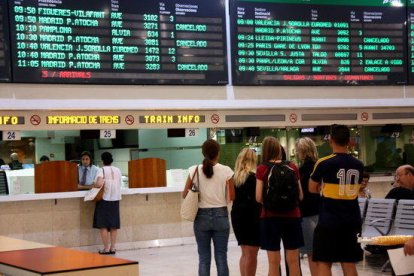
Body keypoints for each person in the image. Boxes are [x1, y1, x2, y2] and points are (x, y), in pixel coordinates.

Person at [309, 124, 364, 276]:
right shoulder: (359, 165)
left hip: (329, 220)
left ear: (331, 140)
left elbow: (312, 188)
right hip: (352, 220)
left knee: (324, 262)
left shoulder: (324, 162)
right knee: (348, 262)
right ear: (349, 141)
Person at [182, 139, 235, 276]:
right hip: (221, 216)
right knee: (221, 258)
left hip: (201, 217)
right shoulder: (226, 170)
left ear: (203, 153)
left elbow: (184, 194)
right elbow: (232, 196)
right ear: (218, 153)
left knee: (204, 259)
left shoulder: (194, 170)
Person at [255, 136, 303, 276]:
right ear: (278, 149)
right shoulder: (292, 166)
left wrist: (271, 203)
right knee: (293, 261)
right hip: (292, 217)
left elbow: (258, 197)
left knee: (273, 262)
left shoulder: (262, 168)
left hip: (270, 218)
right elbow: (300, 196)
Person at [231, 148, 261, 276]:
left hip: (237, 216)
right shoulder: (254, 178)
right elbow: (258, 199)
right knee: (252, 254)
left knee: (245, 253)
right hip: (252, 217)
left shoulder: (234, 178)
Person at [295, 137, 320, 276]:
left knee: (311, 253)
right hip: (322, 212)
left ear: (302, 152)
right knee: (321, 254)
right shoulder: (320, 166)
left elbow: (300, 195)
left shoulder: (301, 171)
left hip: (306, 213)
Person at [93, 151, 122, 255]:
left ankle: (106, 249)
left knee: (103, 225)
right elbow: (120, 184)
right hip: (115, 200)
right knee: (114, 225)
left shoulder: (101, 170)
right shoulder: (118, 170)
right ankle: (113, 248)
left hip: (104, 200)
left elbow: (99, 183)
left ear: (102, 160)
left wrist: (94, 184)